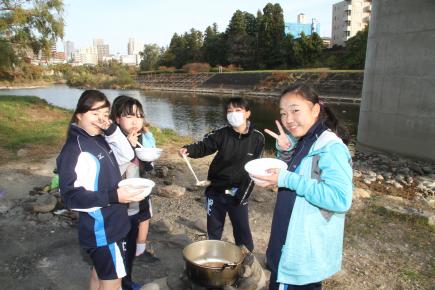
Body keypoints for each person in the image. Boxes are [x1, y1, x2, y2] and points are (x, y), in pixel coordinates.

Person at [252, 85, 353, 290]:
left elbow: (340, 199)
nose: (288, 119)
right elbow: (302, 174)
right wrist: (286, 152)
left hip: (302, 252)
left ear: (315, 110)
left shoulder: (331, 147)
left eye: (295, 110)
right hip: (288, 239)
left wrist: (287, 179)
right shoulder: (306, 140)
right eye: (283, 113)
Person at [57, 90, 144, 290]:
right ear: (79, 114)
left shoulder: (97, 138)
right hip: (103, 229)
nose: (100, 119)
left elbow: (126, 154)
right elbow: (70, 197)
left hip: (112, 223)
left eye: (105, 114)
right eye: (94, 114)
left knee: (99, 273)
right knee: (112, 282)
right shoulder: (75, 149)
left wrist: (111, 128)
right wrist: (114, 196)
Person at [179, 97, 265, 252]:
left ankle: (246, 257)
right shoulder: (221, 133)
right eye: (229, 111)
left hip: (239, 190)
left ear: (247, 113)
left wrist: (243, 194)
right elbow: (204, 146)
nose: (233, 114)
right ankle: (213, 254)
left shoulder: (258, 138)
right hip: (216, 189)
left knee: (241, 227)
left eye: (238, 110)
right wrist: (188, 150)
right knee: (214, 226)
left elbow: (256, 168)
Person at [109, 95, 157, 290]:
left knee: (129, 248)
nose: (135, 121)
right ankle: (119, 284)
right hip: (120, 203)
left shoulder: (145, 137)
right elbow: (112, 173)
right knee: (119, 249)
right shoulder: (110, 140)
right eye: (129, 116)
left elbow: (149, 167)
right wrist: (127, 147)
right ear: (117, 119)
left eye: (139, 116)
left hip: (139, 198)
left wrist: (148, 155)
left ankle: (126, 282)